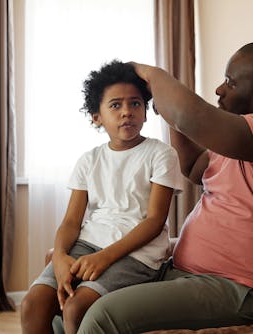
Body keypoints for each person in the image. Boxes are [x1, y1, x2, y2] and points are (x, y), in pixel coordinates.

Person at [76, 41, 253, 333]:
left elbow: (193, 117)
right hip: (186, 274)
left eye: (230, 82)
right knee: (67, 308)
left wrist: (149, 74)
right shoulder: (241, 138)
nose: (219, 90)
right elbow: (192, 168)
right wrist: (166, 112)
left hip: (244, 290)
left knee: (103, 317)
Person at [20, 60, 184, 334]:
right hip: (88, 244)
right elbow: (72, 221)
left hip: (136, 253)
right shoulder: (89, 160)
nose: (126, 112)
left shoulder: (161, 154)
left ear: (145, 112)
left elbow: (155, 221)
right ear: (97, 117)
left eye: (135, 104)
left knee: (76, 307)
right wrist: (60, 256)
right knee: (31, 305)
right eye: (115, 105)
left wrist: (104, 258)